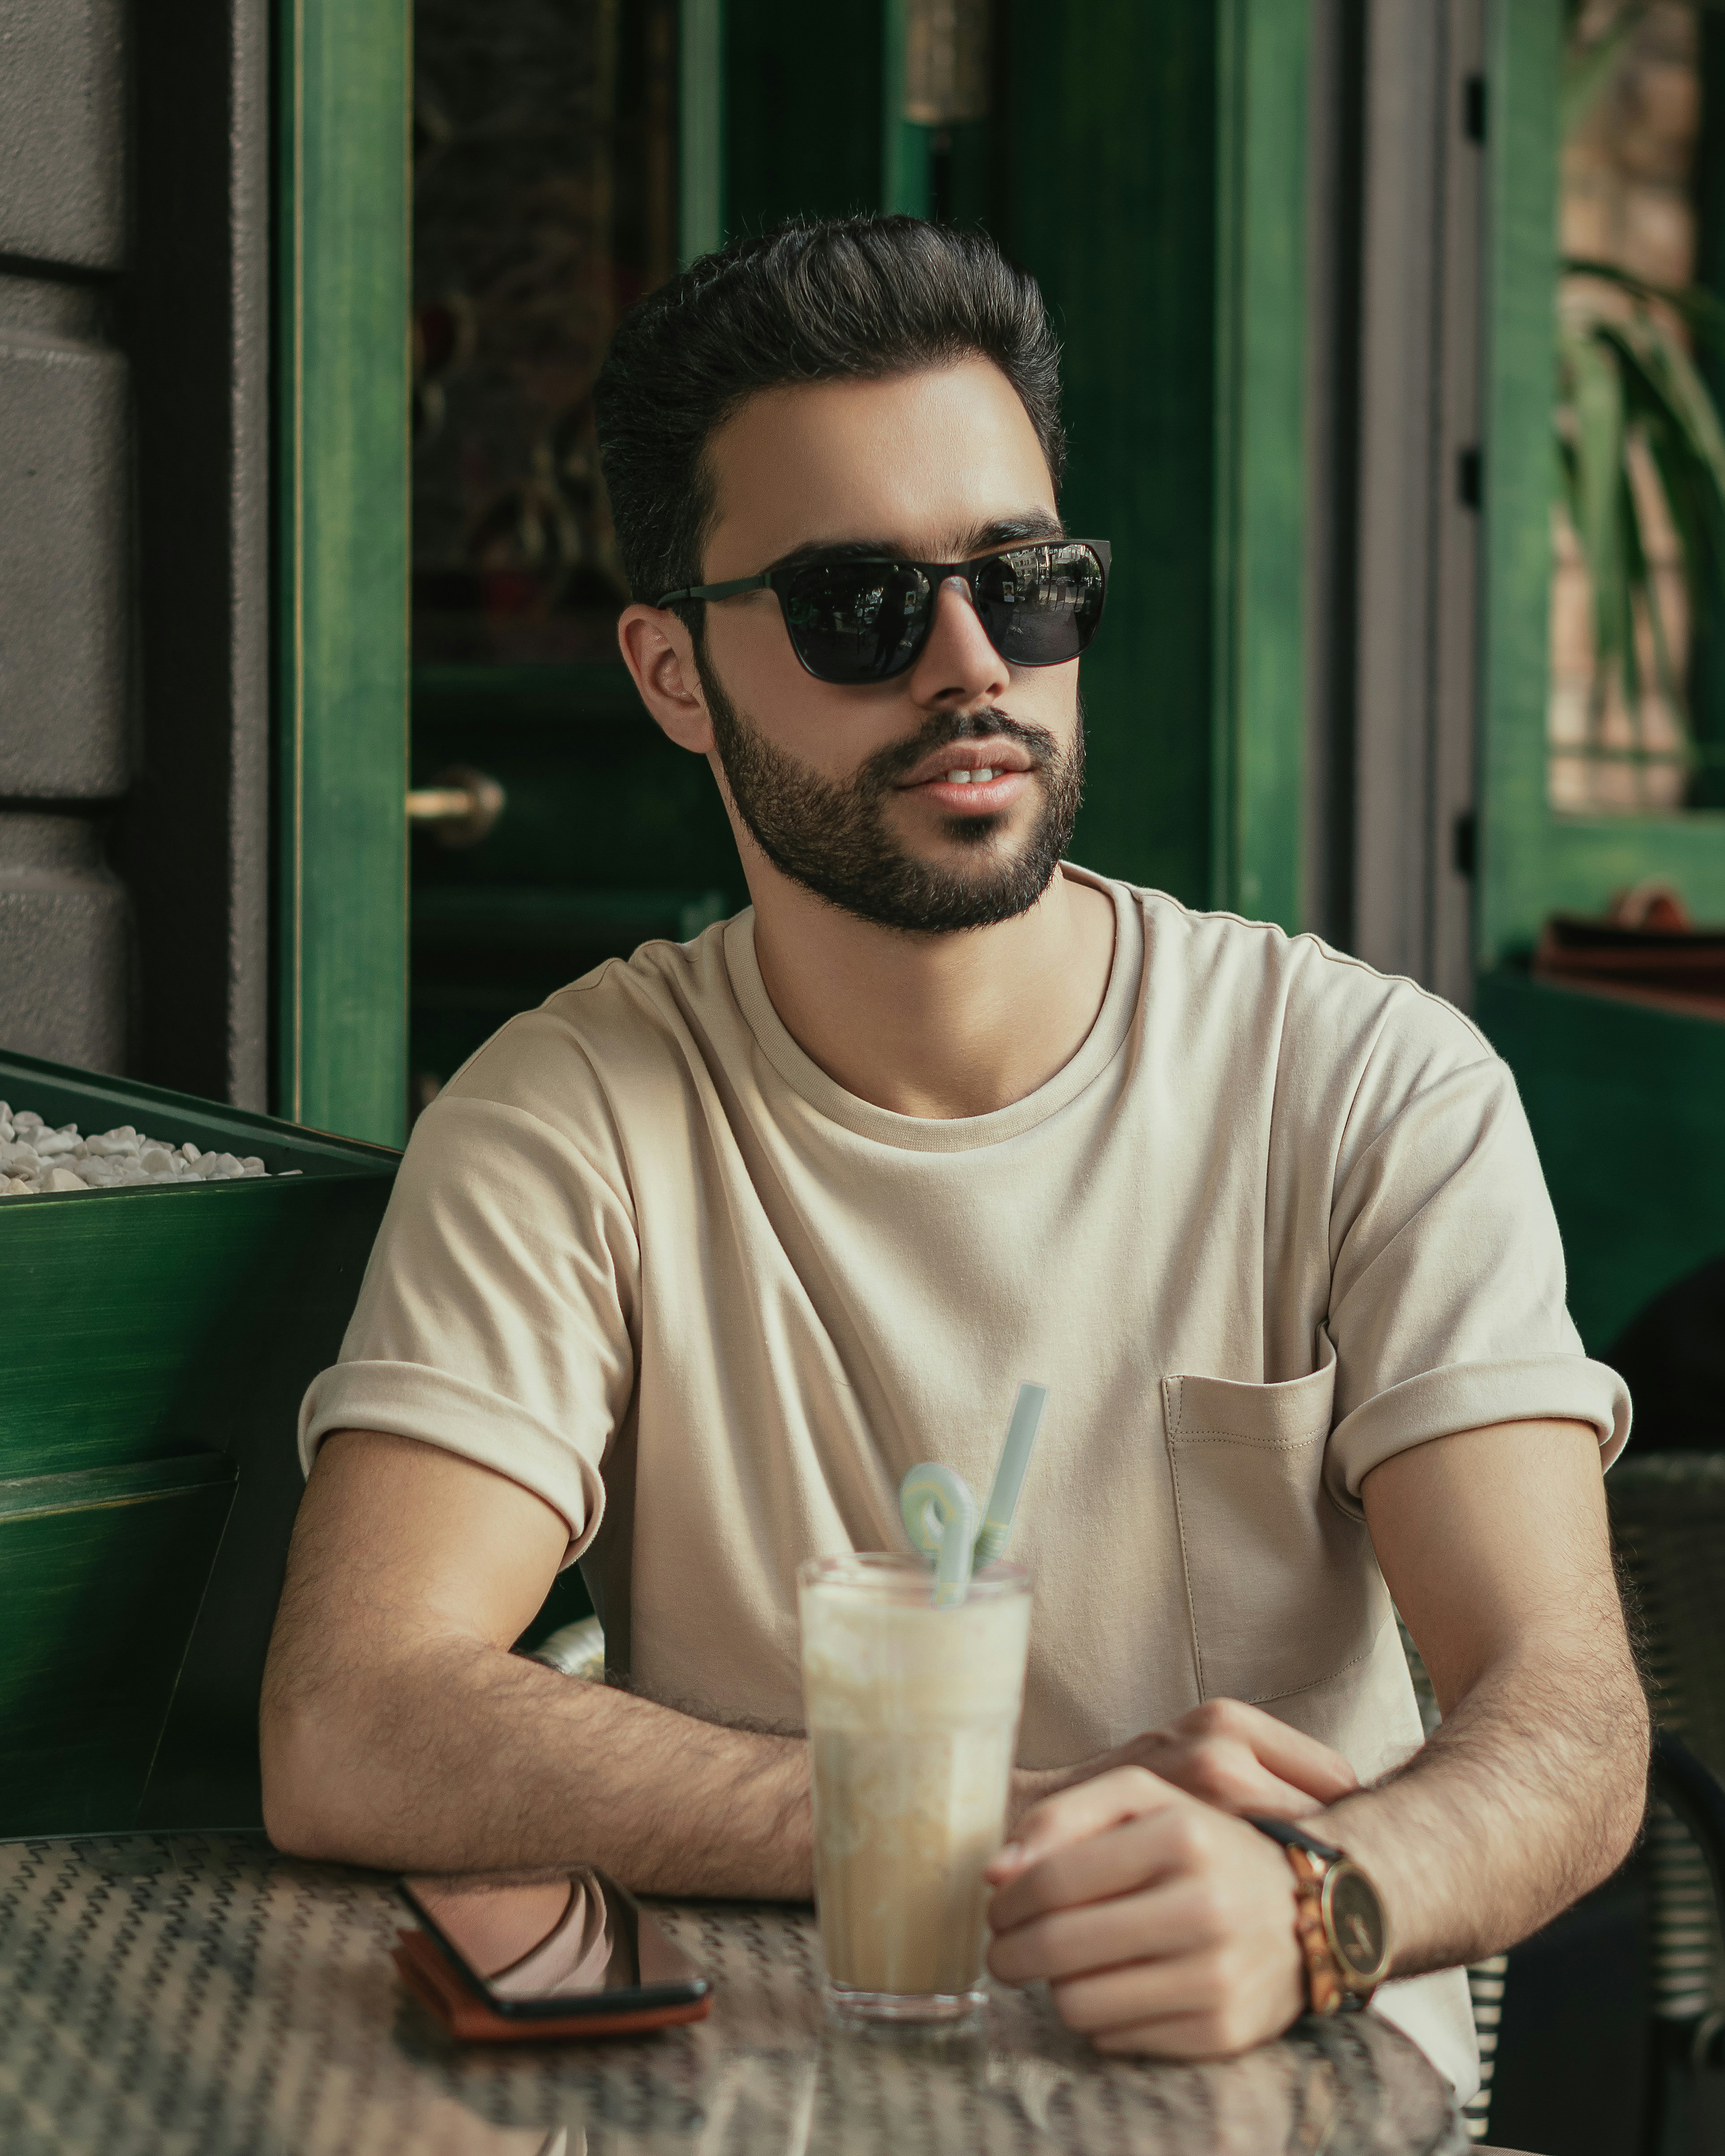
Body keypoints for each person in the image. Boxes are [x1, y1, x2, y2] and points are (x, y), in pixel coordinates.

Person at [260, 217, 1646, 2096]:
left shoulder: (1359, 1083)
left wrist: (1311, 1902)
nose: (972, 662)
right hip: (786, 2098)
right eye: (858, 604)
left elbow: (1567, 1719)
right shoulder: (567, 1113)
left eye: (1024, 584)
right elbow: (354, 1713)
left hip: (1287, 2099)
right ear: (674, 675)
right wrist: (988, 1820)